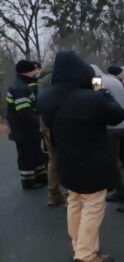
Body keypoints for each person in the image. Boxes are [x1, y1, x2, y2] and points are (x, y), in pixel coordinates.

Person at [38, 51, 124, 262]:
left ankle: (79, 247)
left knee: (74, 202)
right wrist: (100, 91)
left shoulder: (46, 98)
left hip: (65, 160)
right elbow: (117, 116)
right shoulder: (92, 97)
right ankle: (86, 255)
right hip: (92, 160)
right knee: (93, 205)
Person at [94, 66, 124, 211]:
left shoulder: (96, 81)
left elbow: (98, 100)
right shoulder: (115, 81)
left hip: (112, 128)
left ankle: (121, 192)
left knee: (114, 162)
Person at [6, 60, 47, 189]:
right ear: (27, 71)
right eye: (33, 70)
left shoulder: (21, 85)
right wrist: (38, 123)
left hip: (27, 130)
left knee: (35, 153)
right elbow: (24, 112)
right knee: (27, 156)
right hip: (24, 131)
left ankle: (40, 177)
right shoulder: (20, 88)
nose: (36, 71)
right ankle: (29, 181)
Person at [37, 62, 65, 205]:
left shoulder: (40, 81)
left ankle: (53, 195)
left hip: (44, 122)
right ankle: (68, 196)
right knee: (66, 158)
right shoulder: (56, 78)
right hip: (58, 120)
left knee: (53, 159)